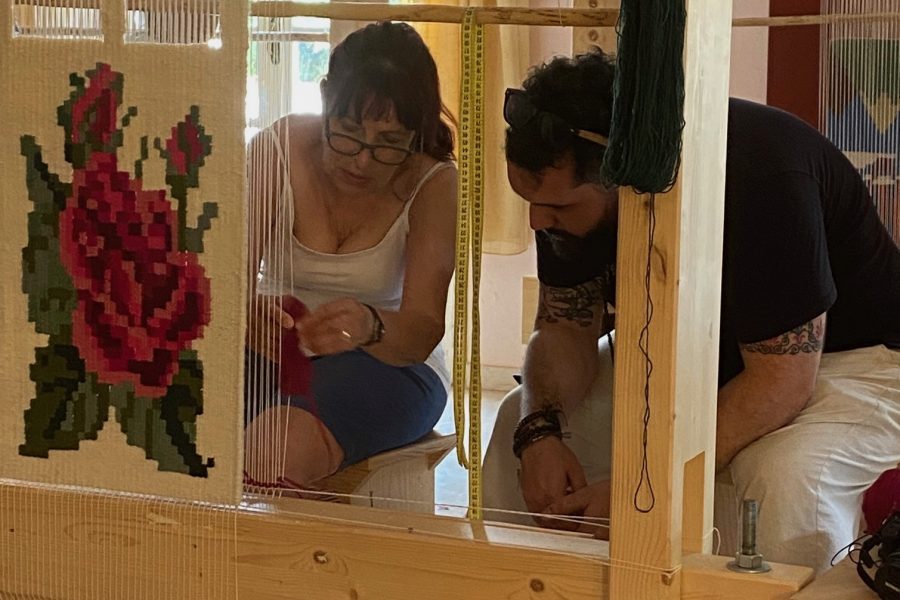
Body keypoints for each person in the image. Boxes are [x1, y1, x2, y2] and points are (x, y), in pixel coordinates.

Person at [482, 48, 900, 573]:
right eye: (529, 201)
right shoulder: (560, 197)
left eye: (559, 207)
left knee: (784, 477)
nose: (537, 221)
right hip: (696, 352)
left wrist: (647, 487)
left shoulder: (762, 168)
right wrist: (538, 430)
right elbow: (565, 326)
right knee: (511, 430)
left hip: (857, 363)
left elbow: (783, 381)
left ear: (622, 176)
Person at [243, 22, 458, 489]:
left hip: (387, 360)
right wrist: (244, 313)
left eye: (389, 142)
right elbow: (222, 284)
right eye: (346, 132)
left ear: (416, 134)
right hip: (269, 351)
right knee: (164, 414)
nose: (362, 160)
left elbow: (421, 331)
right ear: (324, 100)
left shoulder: (434, 183)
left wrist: (369, 325)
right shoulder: (275, 150)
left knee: (279, 447)